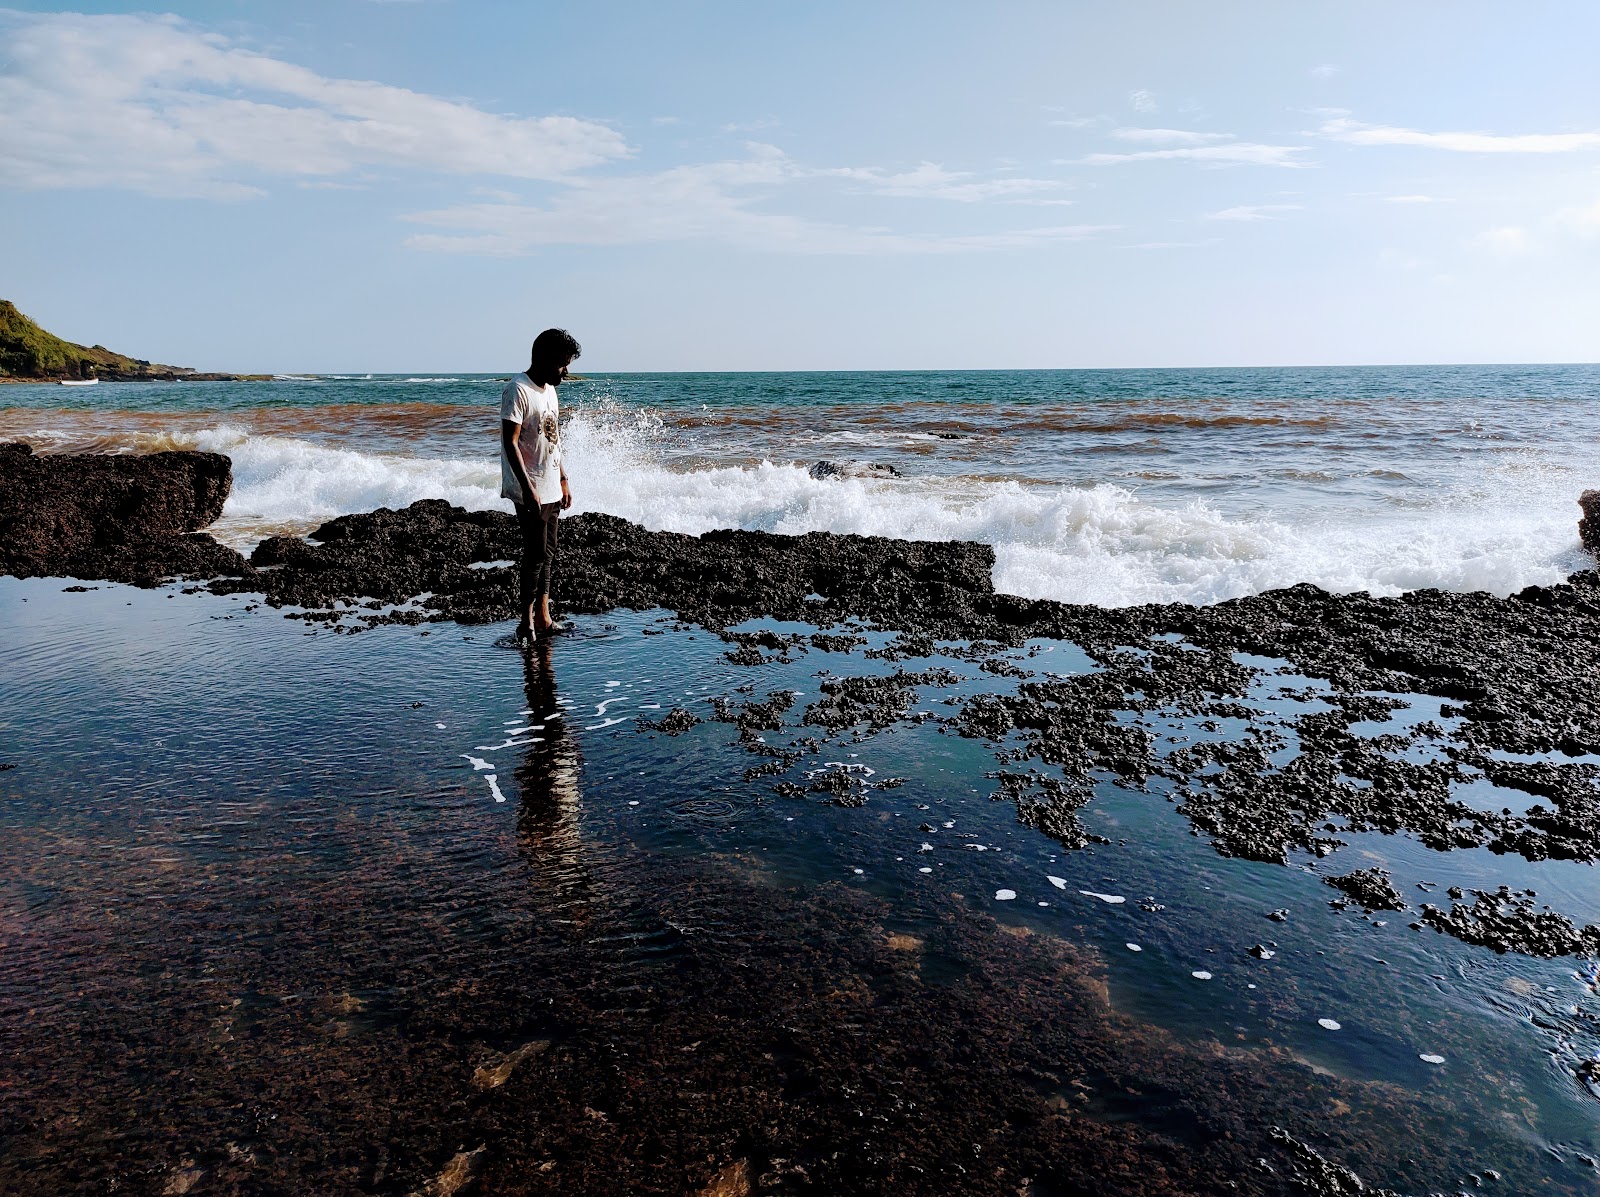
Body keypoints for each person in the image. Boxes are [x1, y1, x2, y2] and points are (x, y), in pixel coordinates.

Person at [501, 328, 579, 645]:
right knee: (533, 555)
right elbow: (511, 442)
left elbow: (553, 440)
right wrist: (528, 488)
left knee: (548, 553)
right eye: (562, 363)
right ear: (544, 358)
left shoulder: (550, 391)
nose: (566, 370)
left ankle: (544, 616)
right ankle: (525, 623)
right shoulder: (518, 390)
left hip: (550, 486)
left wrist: (563, 478)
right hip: (529, 489)